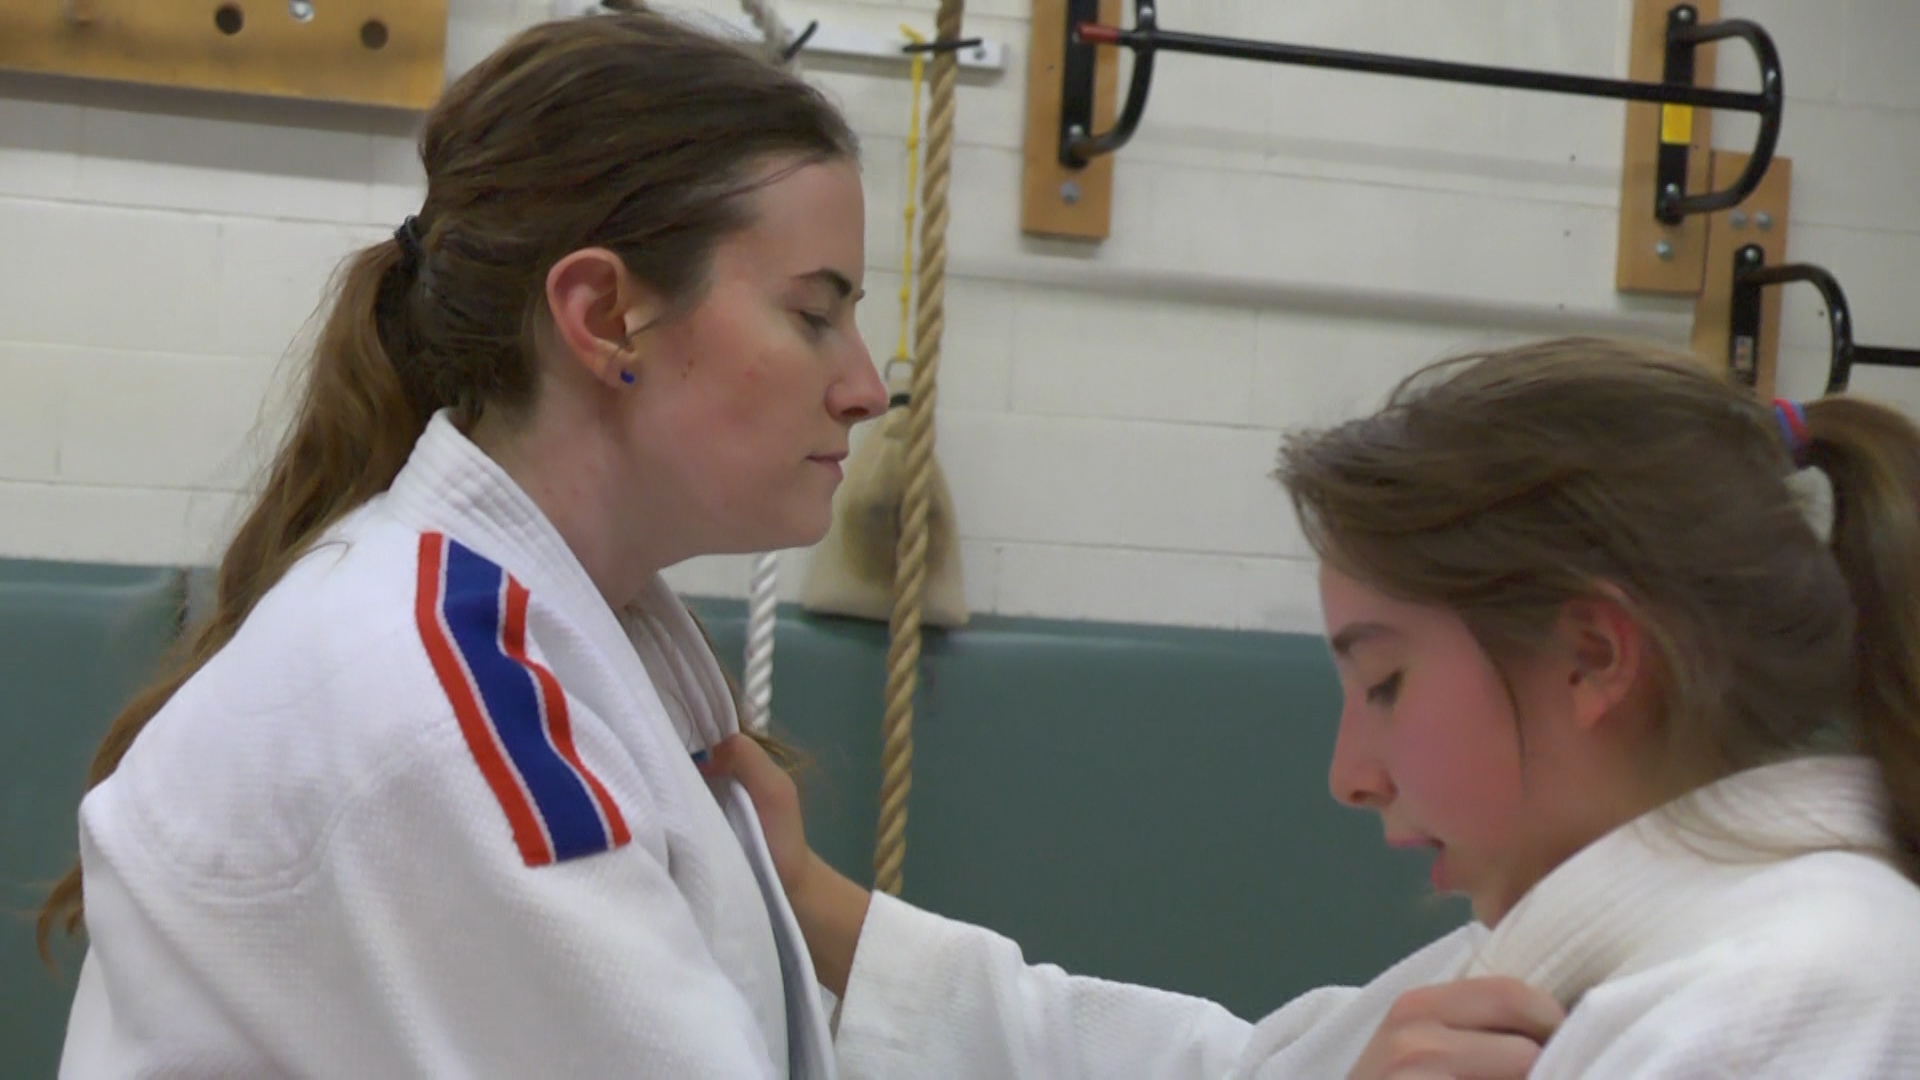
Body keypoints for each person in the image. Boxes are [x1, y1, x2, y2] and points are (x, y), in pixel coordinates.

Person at [40, 10, 885, 1077]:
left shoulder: (570, 638)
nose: (865, 388)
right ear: (604, 315)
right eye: (815, 314)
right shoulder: (444, 702)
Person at [708, 336, 1920, 1078]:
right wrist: (810, 901)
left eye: (1385, 681)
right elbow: (1233, 1073)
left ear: (1596, 656)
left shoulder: (1802, 996)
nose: (1352, 771)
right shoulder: (1585, 949)